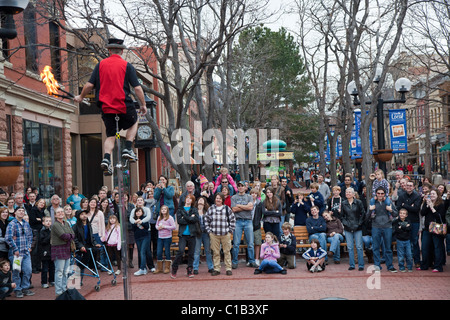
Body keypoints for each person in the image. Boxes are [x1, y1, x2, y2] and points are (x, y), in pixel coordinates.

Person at [74, 38, 147, 175]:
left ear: (109, 50)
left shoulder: (100, 65)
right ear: (122, 51)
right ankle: (127, 148)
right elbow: (137, 88)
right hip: (123, 105)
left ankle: (106, 159)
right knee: (135, 120)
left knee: (111, 135)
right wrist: (143, 104)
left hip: (106, 108)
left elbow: (89, 85)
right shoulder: (127, 66)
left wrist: (81, 97)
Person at [5, 207, 34, 298]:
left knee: (28, 270)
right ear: (15, 213)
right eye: (19, 211)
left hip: (25, 252)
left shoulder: (26, 224)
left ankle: (25, 287)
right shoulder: (12, 224)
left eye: (23, 211)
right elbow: (8, 238)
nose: (21, 212)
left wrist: (29, 246)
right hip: (16, 254)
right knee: (16, 271)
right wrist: (15, 249)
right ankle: (17, 289)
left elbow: (30, 236)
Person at [204, 192, 236, 276]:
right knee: (215, 252)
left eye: (219, 198)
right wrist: (209, 231)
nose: (218, 200)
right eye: (217, 198)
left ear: (222, 200)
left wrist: (230, 230)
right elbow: (206, 220)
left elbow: (232, 219)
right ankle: (217, 268)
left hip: (225, 233)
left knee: (227, 252)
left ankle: (228, 268)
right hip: (214, 234)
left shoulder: (227, 209)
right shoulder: (211, 209)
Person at [368, 186, 398, 272]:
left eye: (382, 193)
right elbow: (367, 217)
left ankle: (390, 266)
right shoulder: (373, 203)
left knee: (388, 248)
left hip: (387, 227)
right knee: (376, 247)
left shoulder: (389, 202)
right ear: (376, 194)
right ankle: (377, 266)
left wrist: (391, 210)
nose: (380, 195)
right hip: (376, 227)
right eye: (378, 193)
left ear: (385, 194)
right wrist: (370, 210)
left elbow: (396, 214)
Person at [171, 194, 200, 279]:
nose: (188, 200)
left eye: (190, 199)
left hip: (192, 234)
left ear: (192, 201)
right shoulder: (180, 209)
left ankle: (190, 269)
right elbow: (180, 221)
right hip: (183, 235)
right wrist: (190, 218)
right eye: (187, 198)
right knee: (180, 251)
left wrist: (186, 217)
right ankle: (174, 268)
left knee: (191, 253)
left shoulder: (194, 209)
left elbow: (195, 219)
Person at [418, 190, 446, 272]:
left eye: (434, 194)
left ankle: (438, 266)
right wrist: (427, 205)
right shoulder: (427, 203)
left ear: (437, 195)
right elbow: (422, 213)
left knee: (437, 247)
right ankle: (424, 265)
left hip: (436, 228)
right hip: (427, 228)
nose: (432, 195)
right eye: (431, 194)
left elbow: (440, 217)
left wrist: (432, 208)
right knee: (424, 247)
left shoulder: (441, 204)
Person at [230, 181, 257, 269]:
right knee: (236, 243)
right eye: (239, 186)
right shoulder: (234, 197)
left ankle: (252, 261)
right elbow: (233, 209)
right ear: (237, 187)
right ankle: (234, 261)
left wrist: (239, 206)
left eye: (242, 186)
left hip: (248, 221)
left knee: (250, 243)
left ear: (245, 187)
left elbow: (250, 207)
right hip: (238, 221)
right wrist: (245, 206)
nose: (240, 187)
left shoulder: (249, 196)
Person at [396, 180, 422, 268]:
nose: (409, 187)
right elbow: (398, 207)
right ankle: (407, 261)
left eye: (411, 186)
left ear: (414, 187)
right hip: (404, 221)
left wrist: (405, 205)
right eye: (407, 185)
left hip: (414, 221)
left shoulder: (417, 196)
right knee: (406, 242)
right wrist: (410, 206)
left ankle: (417, 261)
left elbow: (416, 209)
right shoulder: (401, 195)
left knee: (414, 241)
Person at [51, 207, 75, 297]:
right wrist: (69, 235)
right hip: (58, 249)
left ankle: (64, 289)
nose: (61, 213)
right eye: (58, 212)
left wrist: (68, 235)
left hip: (67, 249)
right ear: (56, 215)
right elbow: (63, 236)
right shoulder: (55, 225)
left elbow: (73, 234)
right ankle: (58, 292)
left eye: (62, 211)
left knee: (65, 272)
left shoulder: (66, 223)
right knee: (59, 272)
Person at [341, 187, 365, 271]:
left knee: (359, 246)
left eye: (349, 192)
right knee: (350, 247)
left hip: (357, 227)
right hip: (348, 227)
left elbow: (363, 214)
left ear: (353, 194)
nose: (347, 194)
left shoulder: (358, 202)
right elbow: (342, 216)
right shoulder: (343, 203)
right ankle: (352, 264)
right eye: (346, 192)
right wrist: (346, 223)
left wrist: (359, 223)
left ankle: (361, 265)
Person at [192, 197, 214, 275]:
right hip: (197, 233)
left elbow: (211, 221)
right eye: (199, 200)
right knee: (197, 251)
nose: (200, 201)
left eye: (202, 200)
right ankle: (195, 268)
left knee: (208, 251)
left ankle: (210, 267)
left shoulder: (207, 211)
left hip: (206, 233)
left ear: (205, 202)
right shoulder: (193, 211)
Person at [131, 207, 153, 276]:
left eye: (139, 211)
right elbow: (133, 228)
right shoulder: (133, 220)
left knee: (143, 252)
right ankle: (144, 268)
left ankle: (142, 268)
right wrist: (136, 222)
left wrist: (142, 222)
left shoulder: (144, 218)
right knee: (140, 252)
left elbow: (147, 227)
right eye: (137, 212)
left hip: (145, 237)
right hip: (138, 238)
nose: (138, 213)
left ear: (142, 212)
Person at [155, 205, 176, 274]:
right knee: (159, 252)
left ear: (167, 211)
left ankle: (167, 267)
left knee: (167, 252)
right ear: (160, 211)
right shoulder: (159, 217)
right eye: (162, 209)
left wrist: (165, 226)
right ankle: (159, 268)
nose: (163, 210)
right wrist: (158, 227)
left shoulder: (170, 218)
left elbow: (173, 227)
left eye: (165, 209)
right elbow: (156, 225)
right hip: (160, 237)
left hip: (167, 237)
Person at [28, 197, 46, 273]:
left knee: (40, 249)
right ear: (37, 203)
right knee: (35, 250)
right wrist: (39, 219)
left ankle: (38, 266)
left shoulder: (42, 211)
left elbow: (43, 219)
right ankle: (33, 267)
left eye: (43, 203)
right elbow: (32, 220)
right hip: (34, 231)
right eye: (40, 202)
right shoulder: (33, 210)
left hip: (40, 230)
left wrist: (40, 219)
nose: (42, 204)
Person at [38, 216, 55, 288]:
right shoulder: (42, 231)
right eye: (47, 221)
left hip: (52, 251)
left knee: (52, 267)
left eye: (50, 221)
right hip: (44, 251)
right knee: (45, 268)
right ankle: (44, 282)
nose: (48, 222)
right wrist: (50, 235)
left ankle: (51, 280)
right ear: (43, 223)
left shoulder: (51, 230)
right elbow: (43, 241)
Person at [250, 188, 263, 266]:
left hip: (256, 225)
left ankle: (257, 259)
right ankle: (250, 259)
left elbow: (261, 214)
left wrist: (258, 222)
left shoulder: (260, 203)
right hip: (248, 225)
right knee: (249, 243)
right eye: (252, 193)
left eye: (255, 193)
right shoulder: (247, 203)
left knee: (257, 243)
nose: (253, 195)